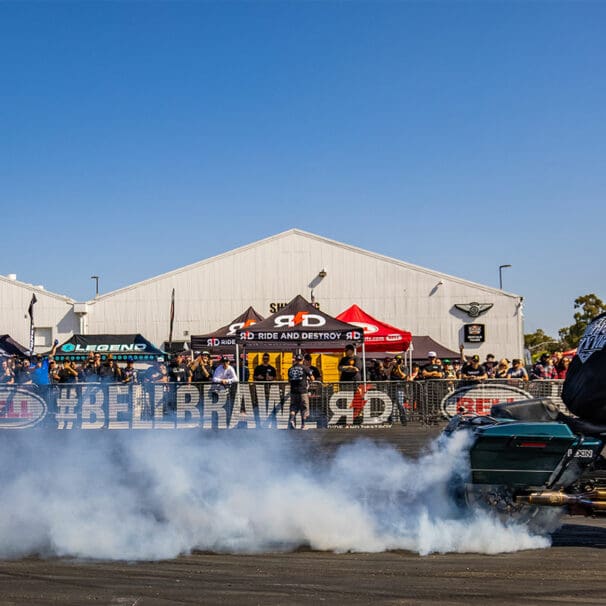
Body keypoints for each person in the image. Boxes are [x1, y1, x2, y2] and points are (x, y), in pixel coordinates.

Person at [287, 354, 313, 430]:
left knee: (293, 407)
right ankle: (303, 425)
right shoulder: (305, 368)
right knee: (304, 408)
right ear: (302, 360)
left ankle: (292, 419)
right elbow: (312, 378)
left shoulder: (290, 369)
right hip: (302, 391)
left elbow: (289, 380)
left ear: (295, 359)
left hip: (293, 391)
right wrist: (307, 378)